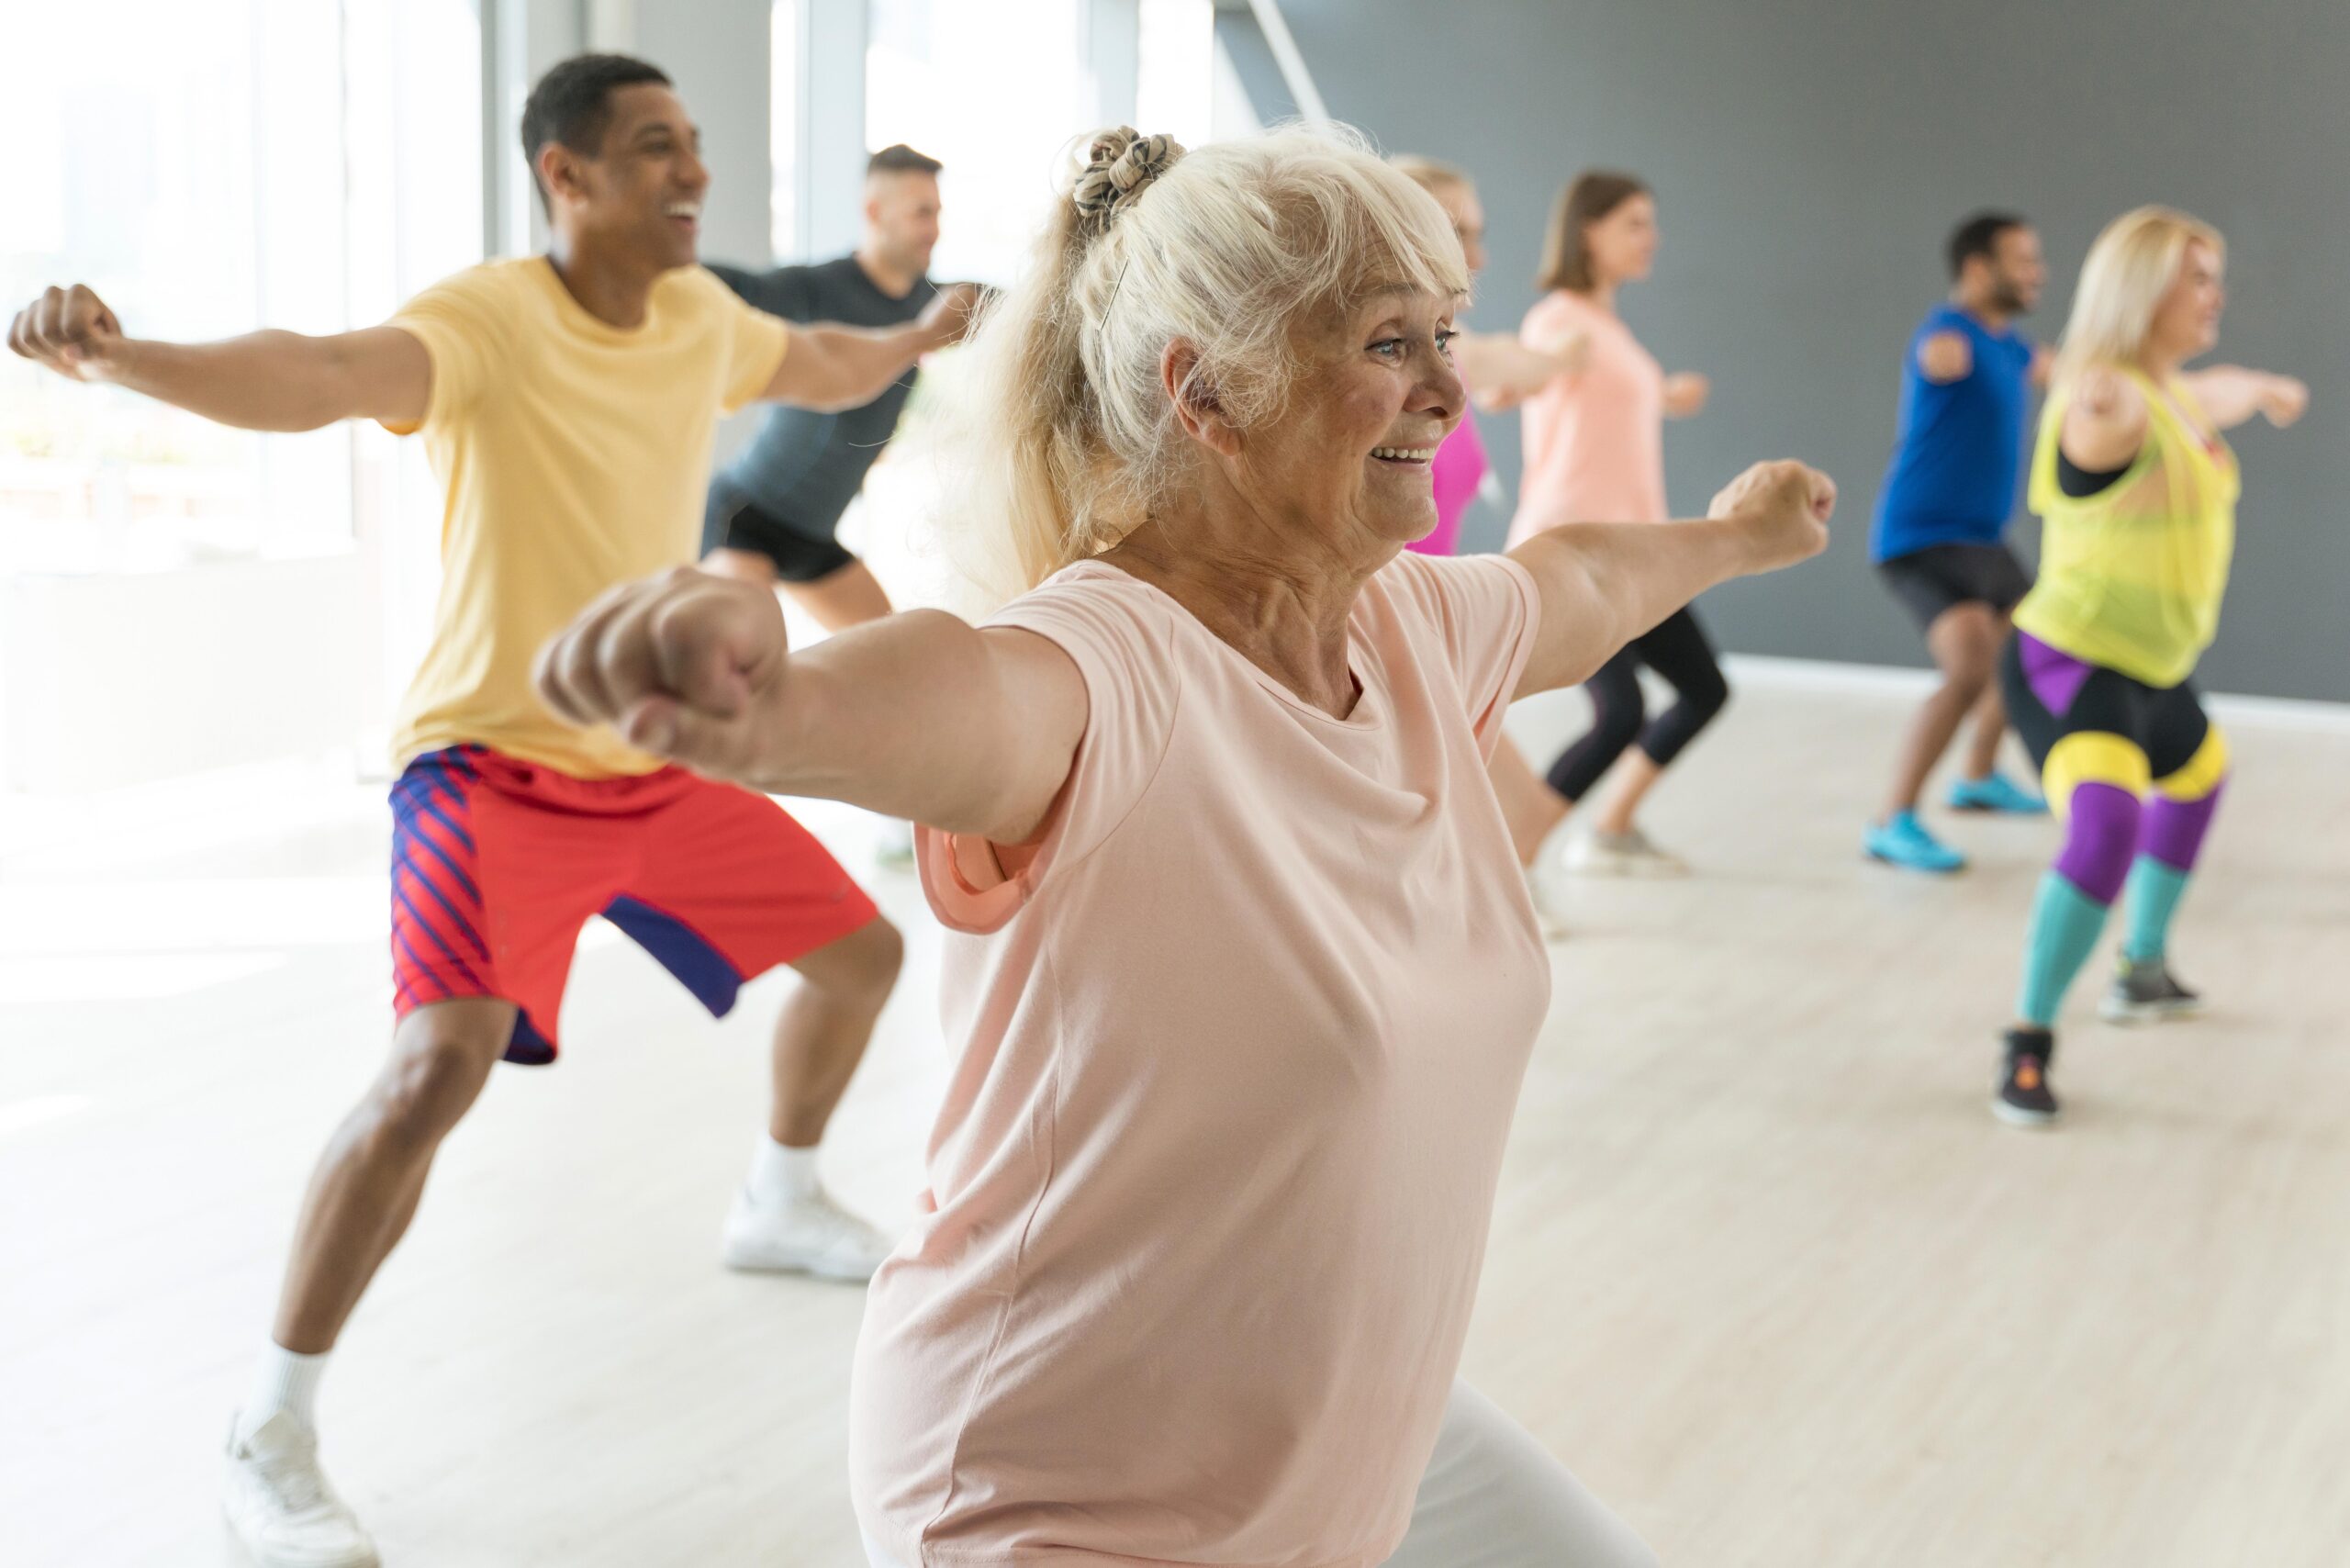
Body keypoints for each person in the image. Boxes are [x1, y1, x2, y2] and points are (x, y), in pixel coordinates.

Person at [537, 122, 1834, 1568]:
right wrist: (764, 709)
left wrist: (1740, 537)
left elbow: (1580, 575)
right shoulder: (1102, 668)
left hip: (1332, 1438)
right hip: (1059, 1492)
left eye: (1447, 334)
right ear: (1204, 394)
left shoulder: (1412, 628)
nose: (1453, 390)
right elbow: (955, 692)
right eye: (1390, 343)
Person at [10, 52, 974, 1568]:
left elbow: (823, 366)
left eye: (695, 146)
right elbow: (318, 372)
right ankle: (267, 1429)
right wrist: (126, 364)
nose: (691, 173)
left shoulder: (701, 318)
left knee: (863, 955)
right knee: (430, 1071)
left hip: (649, 759)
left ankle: (776, 1197)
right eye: (654, 148)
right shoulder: (490, 319)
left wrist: (918, 331)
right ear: (566, 176)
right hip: (486, 761)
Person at [1990, 206, 2305, 1126]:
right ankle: (2026, 1041)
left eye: (2215, 276)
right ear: (2139, 292)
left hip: (2154, 667)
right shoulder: (2114, 397)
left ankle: (2141, 967)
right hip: (2069, 660)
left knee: (2200, 776)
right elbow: (2105, 405)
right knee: (2105, 828)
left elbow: (2220, 390)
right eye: (2194, 278)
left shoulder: (2175, 391)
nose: (2215, 294)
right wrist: (2091, 397)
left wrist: (2271, 387)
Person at [1505, 171, 1721, 882]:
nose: (1649, 236)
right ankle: (1508, 867)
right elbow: (1525, 378)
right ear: (1587, 230)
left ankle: (1612, 827)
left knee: (1704, 690)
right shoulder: (1560, 319)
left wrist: (1666, 396)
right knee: (1620, 712)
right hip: (1576, 555)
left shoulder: (1608, 328)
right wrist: (1518, 374)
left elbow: (1609, 401)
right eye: (1633, 222)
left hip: (1635, 553)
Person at [1864, 212, 2053, 874]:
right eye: (2023, 261)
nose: (2037, 274)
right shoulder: (1950, 335)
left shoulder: (2012, 346)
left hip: (1982, 540)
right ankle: (1891, 821)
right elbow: (1934, 355)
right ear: (1979, 269)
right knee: (1972, 669)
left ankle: (1976, 776)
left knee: (2030, 652)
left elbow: (2063, 367)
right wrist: (1938, 360)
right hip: (1919, 537)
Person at [702, 142, 957, 626]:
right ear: (874, 212)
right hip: (745, 519)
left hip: (812, 537)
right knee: (742, 652)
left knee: (892, 661)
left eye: (938, 213)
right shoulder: (816, 287)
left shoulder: (933, 306)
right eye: (922, 213)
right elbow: (737, 287)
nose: (935, 230)